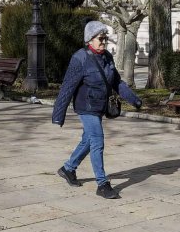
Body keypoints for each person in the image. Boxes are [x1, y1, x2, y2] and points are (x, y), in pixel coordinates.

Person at [52, 21, 143, 200]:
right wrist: (58, 114)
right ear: (89, 40)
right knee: (97, 141)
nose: (103, 42)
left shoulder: (107, 57)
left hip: (100, 106)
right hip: (86, 107)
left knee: (88, 140)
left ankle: (68, 168)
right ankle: (102, 184)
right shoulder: (80, 58)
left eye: (105, 38)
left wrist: (134, 100)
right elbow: (67, 88)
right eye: (100, 39)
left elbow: (117, 82)